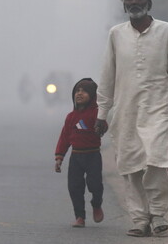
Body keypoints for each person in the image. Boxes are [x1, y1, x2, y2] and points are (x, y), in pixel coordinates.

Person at [94, 0, 168, 237]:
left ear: (149, 2)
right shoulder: (116, 34)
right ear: (124, 4)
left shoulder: (166, 30)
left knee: (157, 161)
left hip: (159, 110)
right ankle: (139, 219)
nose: (135, 2)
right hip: (125, 112)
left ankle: (158, 213)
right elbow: (107, 76)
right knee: (131, 166)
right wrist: (102, 114)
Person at [54, 78, 106, 228]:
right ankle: (79, 217)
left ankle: (96, 204)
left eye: (84, 91)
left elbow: (104, 125)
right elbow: (64, 138)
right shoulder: (71, 117)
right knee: (74, 187)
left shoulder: (97, 113)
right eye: (77, 90)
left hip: (93, 155)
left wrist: (101, 126)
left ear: (93, 95)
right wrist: (59, 157)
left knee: (95, 184)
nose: (80, 93)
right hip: (76, 156)